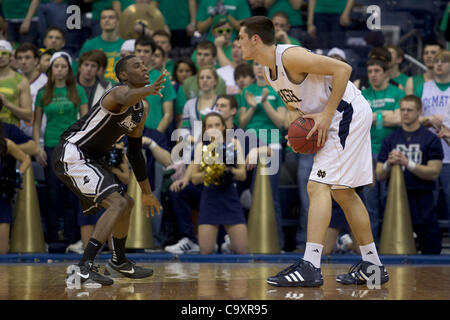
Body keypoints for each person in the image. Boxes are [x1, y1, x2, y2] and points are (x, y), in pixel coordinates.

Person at [238, 16, 388, 286]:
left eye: (240, 38)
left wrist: (328, 114)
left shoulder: (291, 56)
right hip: (332, 119)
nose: (238, 44)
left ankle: (310, 265)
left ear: (255, 39)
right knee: (343, 192)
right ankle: (373, 266)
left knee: (316, 187)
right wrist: (296, 129)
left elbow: (343, 69)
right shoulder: (265, 70)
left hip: (345, 114)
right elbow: (294, 106)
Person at [56, 55, 166, 287]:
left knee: (127, 203)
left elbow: (135, 153)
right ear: (123, 75)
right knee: (117, 203)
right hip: (73, 152)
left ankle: (119, 261)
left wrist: (146, 192)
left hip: (92, 158)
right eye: (137, 65)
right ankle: (83, 267)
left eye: (145, 64)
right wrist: (149, 89)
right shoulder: (116, 93)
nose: (144, 67)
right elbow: (126, 96)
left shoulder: (139, 112)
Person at [33, 52, 89, 249]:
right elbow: (36, 123)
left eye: (63, 66)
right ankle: (53, 238)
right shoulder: (43, 93)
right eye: (56, 66)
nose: (59, 69)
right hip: (50, 145)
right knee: (53, 194)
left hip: (72, 146)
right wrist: (37, 147)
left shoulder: (78, 90)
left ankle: (71, 237)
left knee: (72, 193)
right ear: (51, 69)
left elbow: (85, 121)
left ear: (69, 69)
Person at [376, 95, 443, 254]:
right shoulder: (390, 139)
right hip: (395, 199)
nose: (405, 113)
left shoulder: (431, 139)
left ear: (419, 112)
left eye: (409, 110)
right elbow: (379, 175)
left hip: (422, 199)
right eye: (402, 110)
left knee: (431, 248)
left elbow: (433, 172)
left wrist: (407, 163)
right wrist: (389, 164)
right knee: (394, 250)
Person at [191, 111, 248, 254]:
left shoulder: (234, 144)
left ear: (223, 127)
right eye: (210, 125)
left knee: (242, 250)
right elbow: (194, 178)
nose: (214, 128)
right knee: (206, 250)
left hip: (230, 195)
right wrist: (211, 171)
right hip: (210, 196)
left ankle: (229, 245)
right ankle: (219, 245)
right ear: (205, 129)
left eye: (217, 124)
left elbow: (242, 175)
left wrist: (227, 170)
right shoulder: (201, 147)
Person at [361, 57, 404, 243]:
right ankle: (373, 245)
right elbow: (359, 119)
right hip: (367, 153)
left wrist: (373, 116)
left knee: (390, 198)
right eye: (370, 71)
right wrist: (385, 115)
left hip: (392, 153)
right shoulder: (363, 95)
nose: (373, 75)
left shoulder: (397, 93)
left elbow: (399, 119)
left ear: (386, 73)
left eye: (377, 71)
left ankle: (391, 242)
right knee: (370, 203)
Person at [415, 49, 450, 235]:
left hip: (449, 152)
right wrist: (427, 120)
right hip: (428, 152)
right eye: (436, 61)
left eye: (443, 61)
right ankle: (429, 244)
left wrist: (443, 120)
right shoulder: (425, 87)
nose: (438, 64)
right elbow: (414, 115)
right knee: (429, 203)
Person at [0, 121, 32, 254]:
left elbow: (26, 159)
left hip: (1, 194)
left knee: (2, 250)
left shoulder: (6, 143)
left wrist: (19, 174)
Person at [76, 7, 125, 84]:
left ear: (118, 22)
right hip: (94, 88)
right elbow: (79, 70)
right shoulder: (89, 45)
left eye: (111, 17)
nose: (107, 20)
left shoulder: (125, 45)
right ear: (100, 22)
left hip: (119, 88)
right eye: (104, 17)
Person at [15, 43, 48, 139]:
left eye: (27, 57)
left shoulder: (46, 83)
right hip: (17, 138)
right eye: (20, 58)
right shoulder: (13, 82)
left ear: (36, 60)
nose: (23, 62)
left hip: (42, 139)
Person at [0, 40, 33, 127]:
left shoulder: (21, 81)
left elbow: (29, 116)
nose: (0, 57)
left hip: (11, 132)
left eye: (4, 53)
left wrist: (7, 104)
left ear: (10, 56)